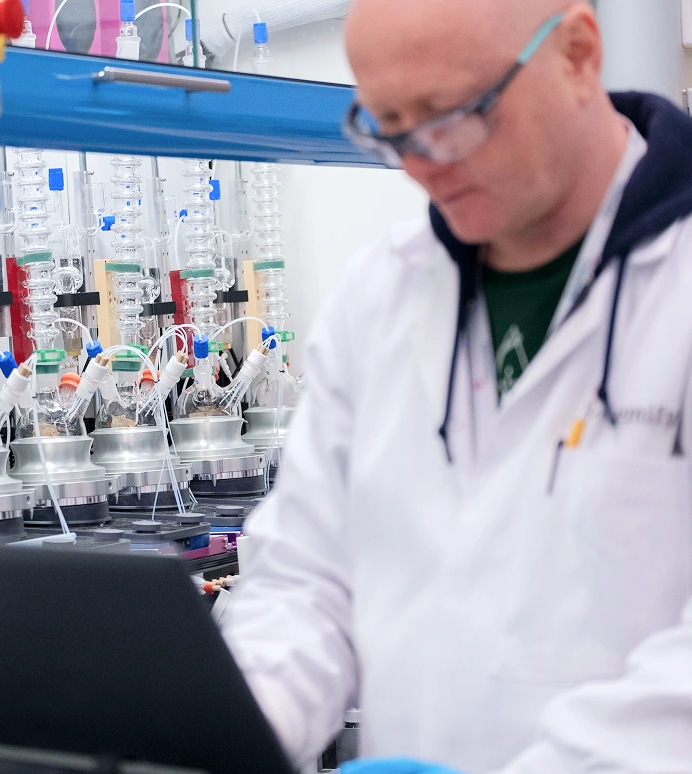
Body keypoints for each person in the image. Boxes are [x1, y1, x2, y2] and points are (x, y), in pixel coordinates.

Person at [222, 1, 692, 773]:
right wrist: (238, 733)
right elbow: (306, 581)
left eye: (453, 114)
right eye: (387, 126)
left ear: (576, 53)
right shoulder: (377, 298)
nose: (421, 161)